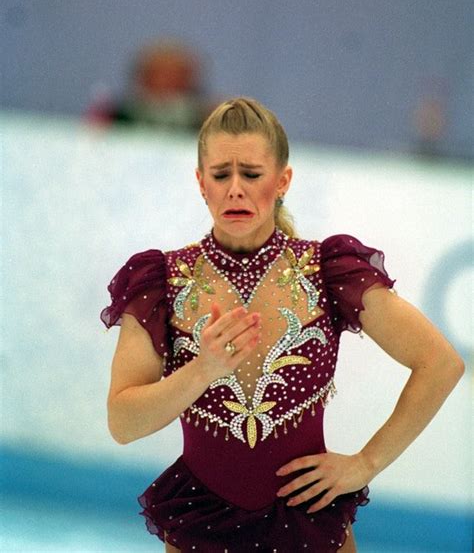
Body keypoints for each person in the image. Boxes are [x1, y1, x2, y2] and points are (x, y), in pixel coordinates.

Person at [101, 97, 464, 553]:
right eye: (220, 174)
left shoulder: (328, 271)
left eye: (251, 174)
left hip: (313, 529)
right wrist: (201, 370)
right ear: (201, 183)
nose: (235, 189)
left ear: (282, 180)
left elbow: (440, 363)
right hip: (201, 530)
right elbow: (122, 423)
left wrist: (367, 463)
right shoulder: (161, 283)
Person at [87, 39, 211, 132]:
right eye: (160, 74)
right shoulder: (118, 116)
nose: (168, 82)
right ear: (143, 78)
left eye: (176, 76)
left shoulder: (204, 123)